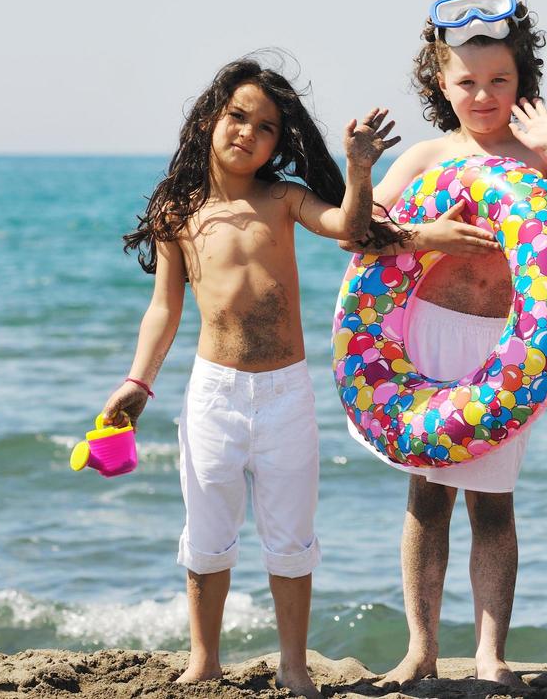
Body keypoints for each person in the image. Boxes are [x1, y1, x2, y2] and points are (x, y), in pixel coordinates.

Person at [342, 0, 547, 688]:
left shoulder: (538, 155)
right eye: (468, 82)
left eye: (500, 80)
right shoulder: (427, 156)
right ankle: (422, 649)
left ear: (522, 79)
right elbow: (358, 234)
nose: (485, 95)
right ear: (441, 82)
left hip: (507, 345)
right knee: (427, 499)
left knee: (493, 504)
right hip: (423, 331)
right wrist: (419, 231)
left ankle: (492, 652)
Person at [101, 57, 398, 698]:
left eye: (264, 127)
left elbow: (350, 228)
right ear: (211, 117)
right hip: (213, 392)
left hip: (287, 393)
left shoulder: (283, 197)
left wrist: (358, 167)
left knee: (291, 541)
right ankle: (204, 661)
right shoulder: (177, 211)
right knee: (207, 537)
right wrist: (138, 381)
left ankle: (294, 667)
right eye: (237, 116)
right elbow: (165, 308)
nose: (246, 132)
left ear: (278, 142)